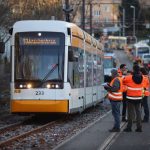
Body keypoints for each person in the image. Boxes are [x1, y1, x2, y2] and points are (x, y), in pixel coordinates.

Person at [123, 64, 148, 132]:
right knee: (139, 112)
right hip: (139, 97)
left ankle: (129, 127)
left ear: (133, 70)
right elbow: (146, 84)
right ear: (139, 70)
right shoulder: (144, 78)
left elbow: (123, 81)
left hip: (130, 98)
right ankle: (139, 128)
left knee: (130, 113)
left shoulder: (129, 77)